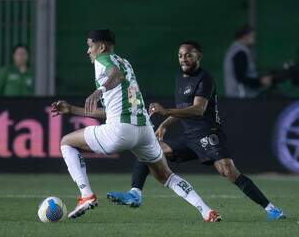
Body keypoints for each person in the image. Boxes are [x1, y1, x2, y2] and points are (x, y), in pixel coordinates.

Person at [51, 29, 221, 222]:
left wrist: (99, 91)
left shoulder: (102, 61)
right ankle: (206, 211)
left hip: (119, 131)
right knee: (166, 176)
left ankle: (86, 195)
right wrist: (72, 109)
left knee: (66, 142)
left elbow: (115, 76)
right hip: (144, 130)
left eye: (90, 46)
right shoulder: (125, 63)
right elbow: (110, 109)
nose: (88, 51)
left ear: (101, 46)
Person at [107, 40, 285, 221]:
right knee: (149, 150)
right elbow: (183, 107)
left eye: (188, 55)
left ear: (198, 56)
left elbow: (198, 109)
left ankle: (272, 210)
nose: (183, 59)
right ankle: (135, 193)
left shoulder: (204, 78)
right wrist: (165, 124)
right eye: (180, 55)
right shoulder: (180, 78)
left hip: (208, 133)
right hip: (189, 136)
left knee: (229, 172)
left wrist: (166, 111)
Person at [223, 25, 272, 98]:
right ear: (245, 36)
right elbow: (241, 77)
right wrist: (260, 81)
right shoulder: (240, 52)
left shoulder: (235, 49)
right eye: (253, 36)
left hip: (239, 96)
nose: (254, 39)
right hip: (241, 97)